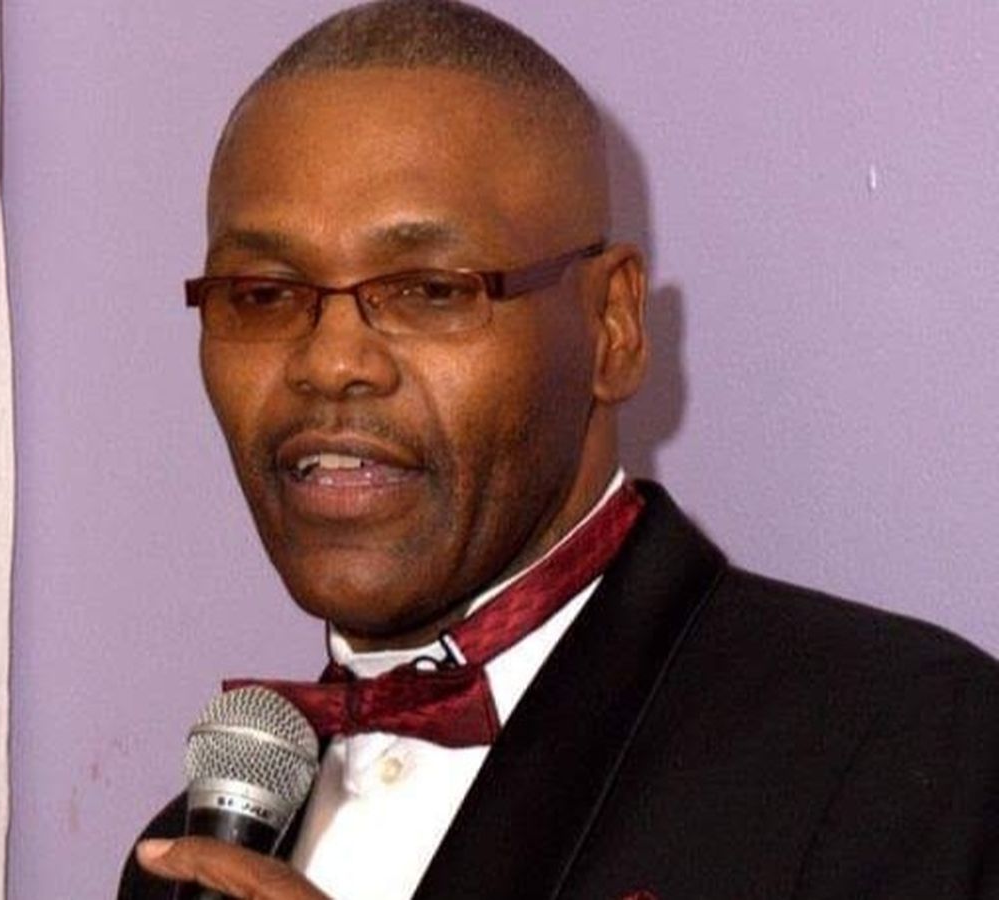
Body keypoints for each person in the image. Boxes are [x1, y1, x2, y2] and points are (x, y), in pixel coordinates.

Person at [118, 2, 999, 898]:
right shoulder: (181, 867)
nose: (331, 362)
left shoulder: (907, 755)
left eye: (431, 289)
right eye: (262, 295)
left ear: (612, 327)